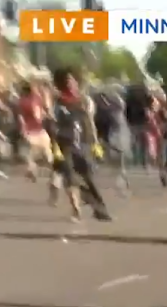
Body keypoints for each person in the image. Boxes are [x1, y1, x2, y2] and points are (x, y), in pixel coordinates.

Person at [50, 68, 110, 222]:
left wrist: (96, 143)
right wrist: (55, 145)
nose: (69, 83)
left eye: (72, 80)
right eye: (66, 80)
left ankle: (99, 207)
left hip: (83, 143)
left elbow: (90, 122)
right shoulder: (58, 103)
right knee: (69, 177)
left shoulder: (86, 100)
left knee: (89, 178)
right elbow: (54, 123)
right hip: (66, 143)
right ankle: (76, 210)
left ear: (77, 81)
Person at [17, 81, 52, 186]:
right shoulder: (31, 100)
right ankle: (51, 172)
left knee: (33, 154)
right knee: (45, 152)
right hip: (36, 130)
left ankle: (32, 170)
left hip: (33, 130)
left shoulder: (23, 101)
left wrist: (23, 129)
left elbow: (21, 117)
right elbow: (42, 112)